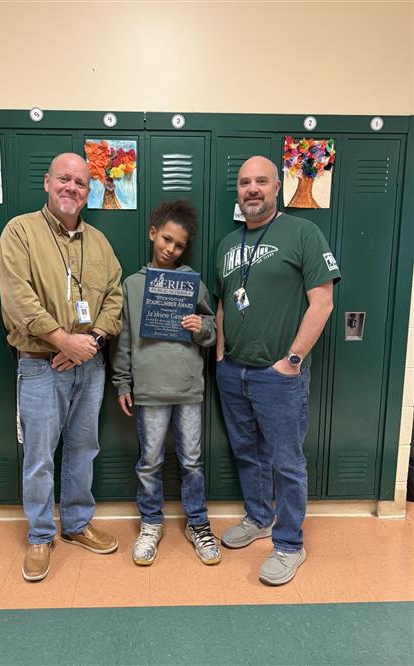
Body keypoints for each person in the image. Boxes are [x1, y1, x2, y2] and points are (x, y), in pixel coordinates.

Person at [0, 153, 123, 582]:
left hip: (90, 366)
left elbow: (114, 300)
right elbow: (18, 299)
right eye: (64, 179)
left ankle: (76, 523)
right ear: (48, 183)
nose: (72, 188)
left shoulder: (101, 243)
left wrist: (91, 343)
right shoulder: (20, 232)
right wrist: (62, 340)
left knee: (84, 450)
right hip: (39, 365)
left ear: (89, 192)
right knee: (39, 457)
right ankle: (40, 534)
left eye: (81, 183)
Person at [215, 156, 341, 585]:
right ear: (239, 191)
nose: (252, 188)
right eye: (245, 182)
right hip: (233, 371)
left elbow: (322, 301)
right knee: (248, 453)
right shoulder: (228, 243)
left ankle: (289, 544)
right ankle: (259, 517)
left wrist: (292, 361)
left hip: (278, 376)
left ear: (276, 188)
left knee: (286, 462)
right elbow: (221, 302)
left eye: (261, 181)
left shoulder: (303, 233)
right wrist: (219, 354)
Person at [112, 200, 221, 566]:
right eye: (166, 239)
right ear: (153, 233)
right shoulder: (132, 285)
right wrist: (123, 382)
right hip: (150, 390)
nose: (170, 249)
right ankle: (151, 522)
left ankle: (198, 523)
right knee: (150, 461)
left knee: (192, 461)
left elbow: (212, 329)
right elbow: (124, 337)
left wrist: (200, 327)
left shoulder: (193, 283)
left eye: (178, 245)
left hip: (188, 388)